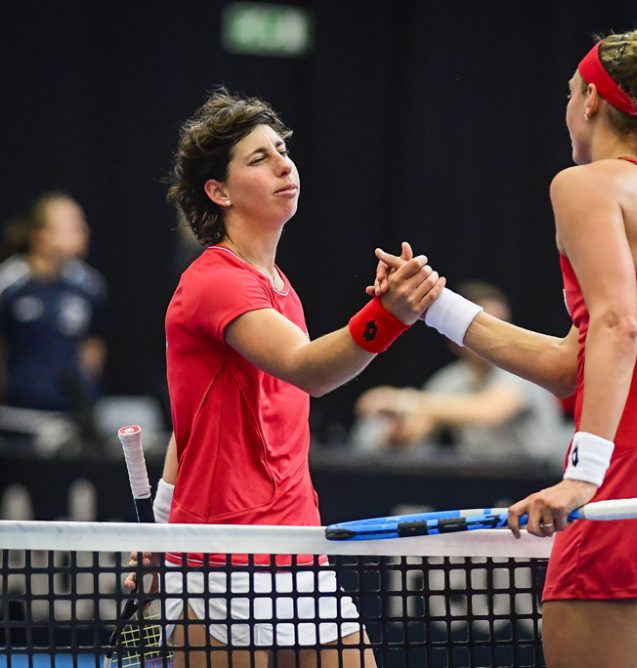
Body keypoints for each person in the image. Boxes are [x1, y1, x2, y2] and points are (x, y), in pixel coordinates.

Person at [375, 21, 637, 668]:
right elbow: (568, 364)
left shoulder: (583, 185)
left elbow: (615, 327)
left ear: (593, 101)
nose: (567, 107)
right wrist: (436, 307)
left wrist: (583, 476)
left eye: (570, 93)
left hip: (630, 481)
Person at [147, 89, 443, 668]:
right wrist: (390, 316)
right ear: (219, 191)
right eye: (259, 158)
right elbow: (312, 371)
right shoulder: (215, 282)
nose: (285, 164)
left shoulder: (281, 288)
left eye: (283, 150)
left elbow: (193, 423)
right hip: (222, 558)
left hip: (297, 548)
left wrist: (158, 526)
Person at [352, 280, 563, 462]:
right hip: (484, 486)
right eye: (485, 329)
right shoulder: (451, 380)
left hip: (536, 482)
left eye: (502, 325)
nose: (497, 336)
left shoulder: (524, 369)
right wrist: (398, 429)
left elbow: (490, 411)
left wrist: (401, 400)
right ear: (456, 335)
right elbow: (419, 427)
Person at [0, 193, 108, 422]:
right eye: (72, 225)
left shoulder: (90, 285)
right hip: (15, 414)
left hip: (69, 418)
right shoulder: (5, 285)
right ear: (40, 235)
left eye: (82, 224)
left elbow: (93, 347)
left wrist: (83, 394)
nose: (83, 232)